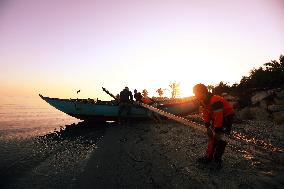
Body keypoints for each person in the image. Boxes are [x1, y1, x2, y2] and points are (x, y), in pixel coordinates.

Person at [193, 83, 234, 169]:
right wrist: (208, 126)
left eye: (196, 93)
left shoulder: (215, 100)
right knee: (212, 137)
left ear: (202, 92)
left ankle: (217, 160)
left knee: (221, 139)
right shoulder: (203, 101)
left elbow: (219, 116)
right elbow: (205, 113)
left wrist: (217, 129)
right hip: (216, 116)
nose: (195, 95)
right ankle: (208, 157)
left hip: (227, 117)